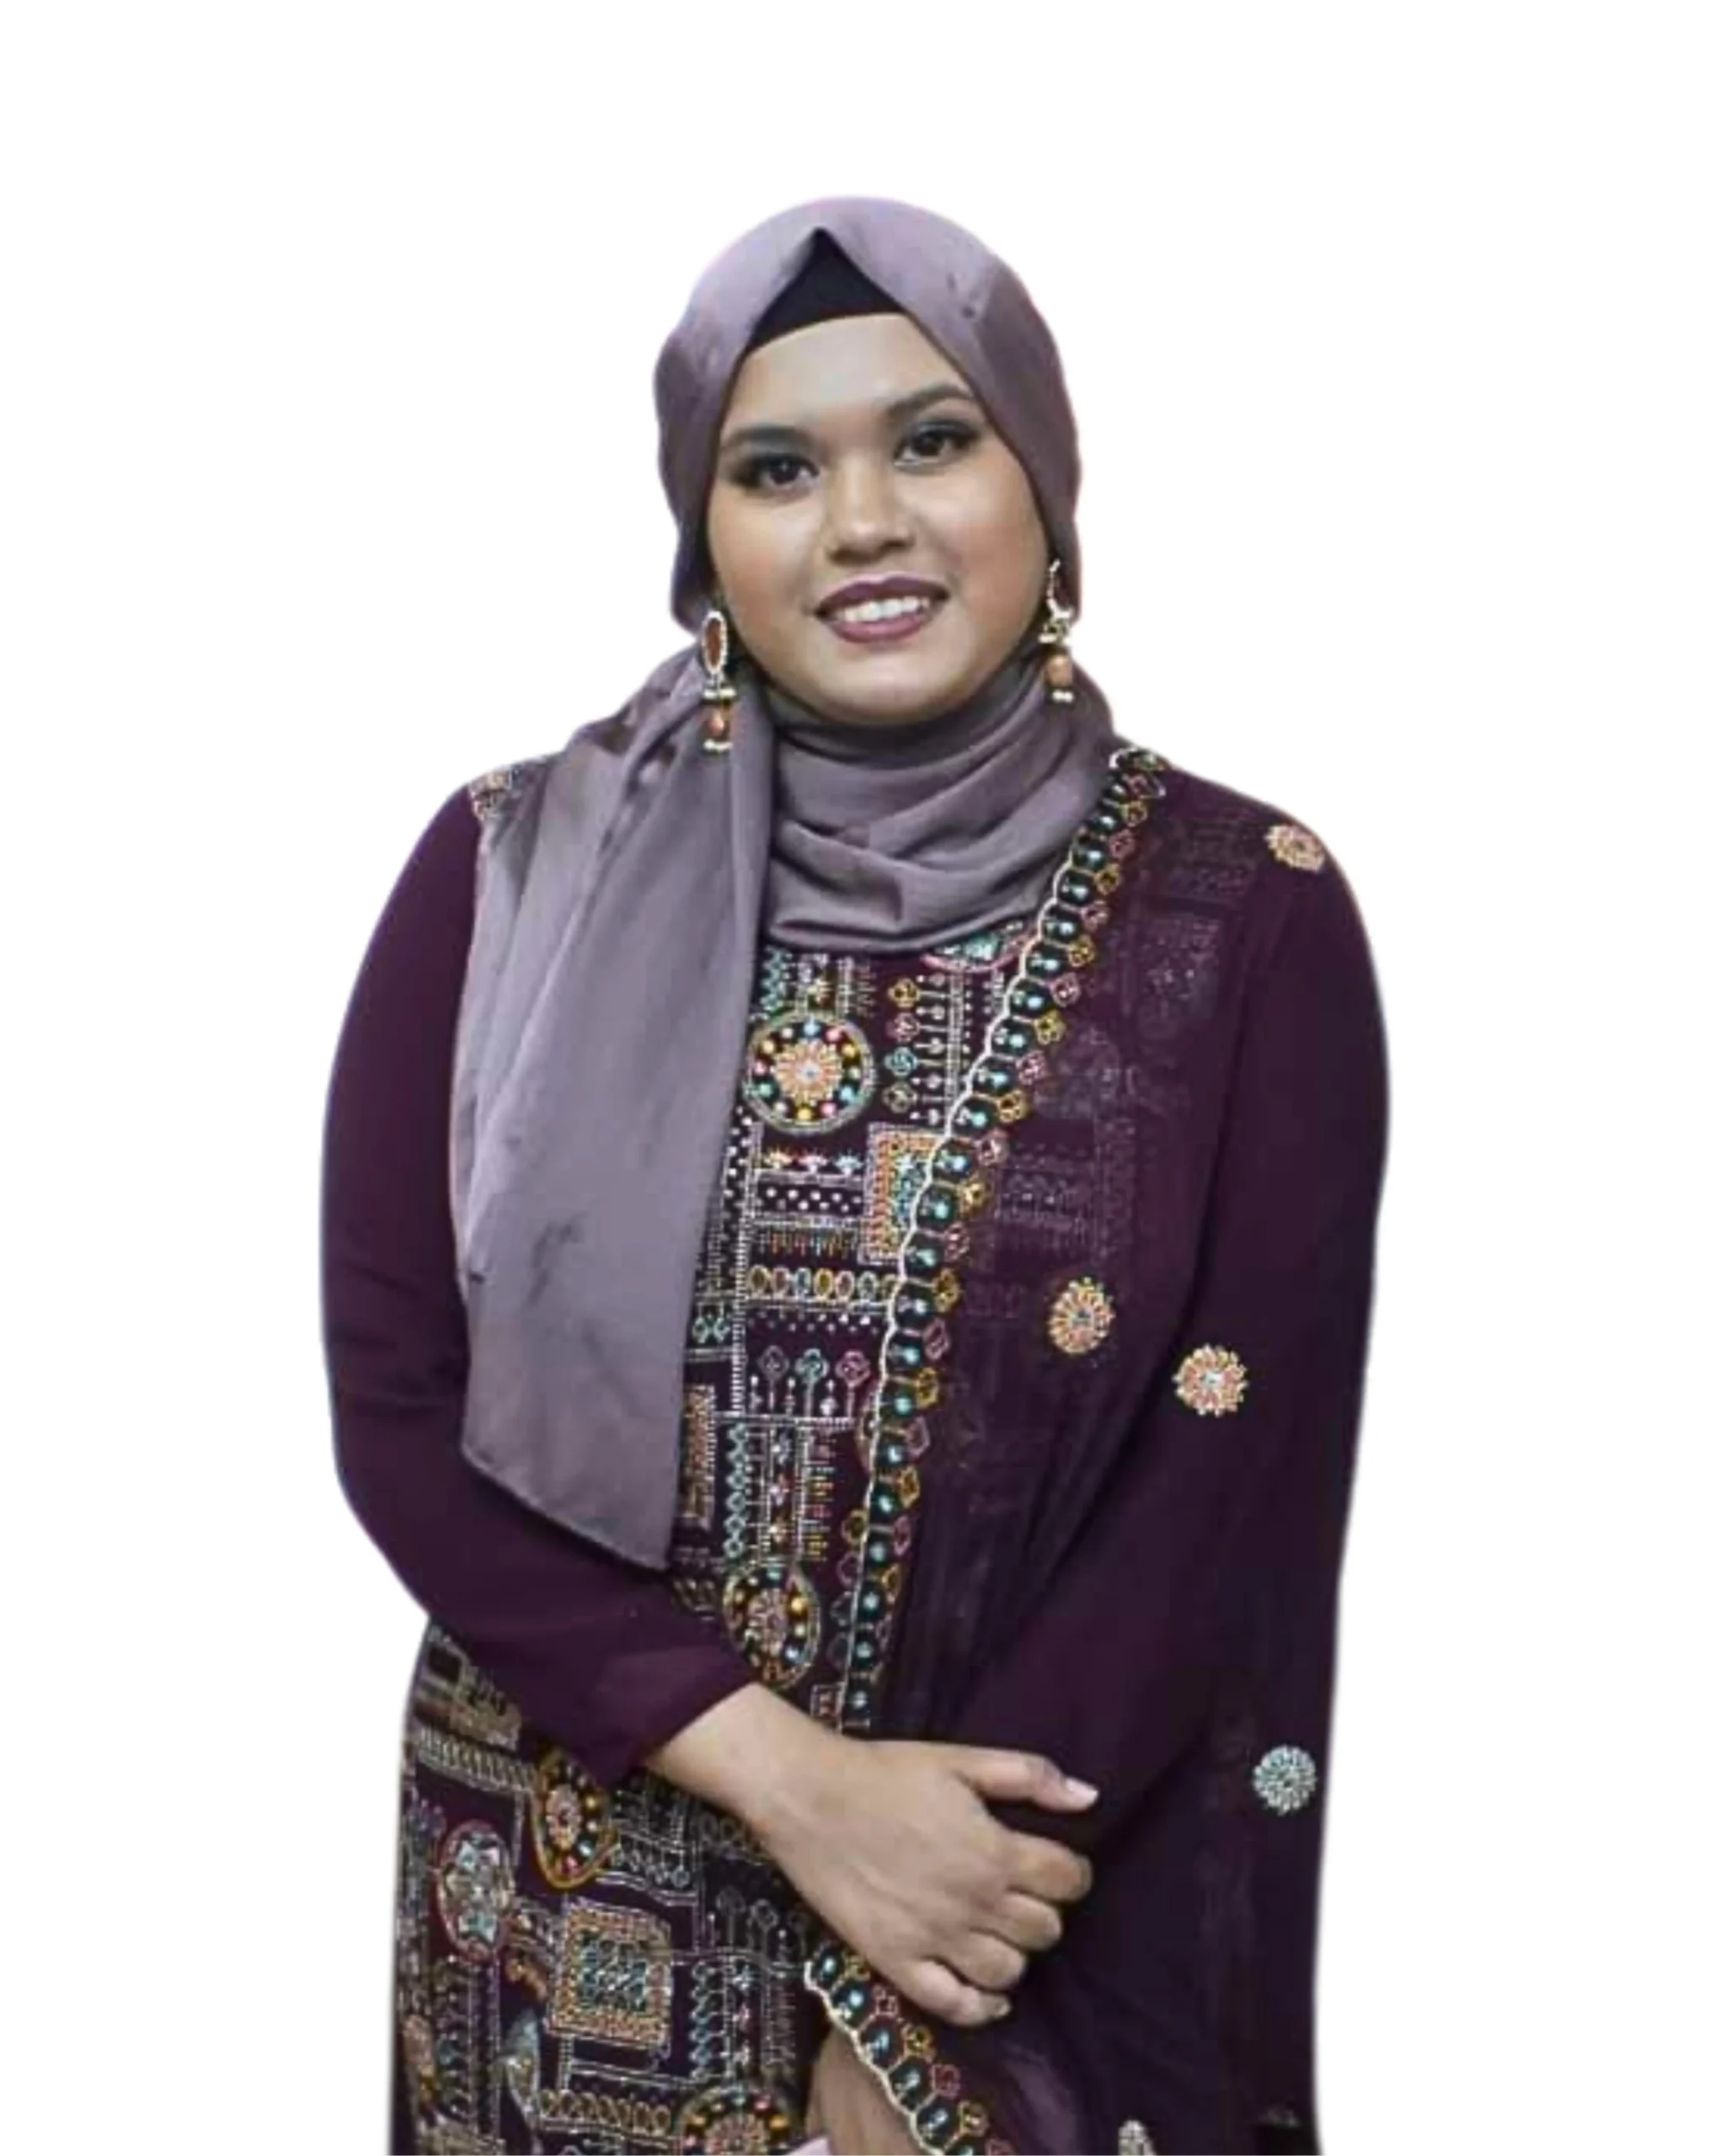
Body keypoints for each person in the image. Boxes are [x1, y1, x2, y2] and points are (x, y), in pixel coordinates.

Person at [320, 196, 1389, 2156]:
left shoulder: (1241, 916)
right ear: (704, 540)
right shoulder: (507, 874)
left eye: (932, 438)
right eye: (778, 468)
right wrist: (796, 1783)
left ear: (1042, 481)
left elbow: (1221, 1476)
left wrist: (913, 2006)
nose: (863, 523)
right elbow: (400, 1416)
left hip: (1008, 1918)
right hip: (555, 1928)